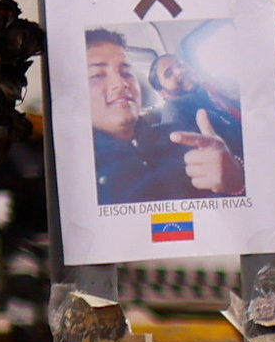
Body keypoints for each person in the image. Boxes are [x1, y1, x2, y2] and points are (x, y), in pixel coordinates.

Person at [88, 19, 246, 208]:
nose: (121, 83)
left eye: (127, 73)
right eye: (98, 75)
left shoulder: (174, 138)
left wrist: (236, 183)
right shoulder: (75, 169)